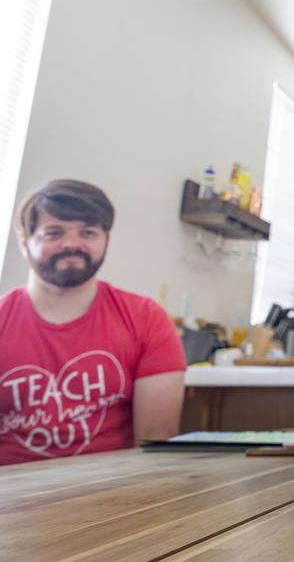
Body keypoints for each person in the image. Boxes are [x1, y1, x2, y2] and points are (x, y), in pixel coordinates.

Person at [0, 179, 186, 465]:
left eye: (88, 232)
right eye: (54, 233)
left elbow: (154, 445)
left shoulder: (148, 320)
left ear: (106, 241)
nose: (72, 244)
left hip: (111, 495)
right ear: (25, 243)